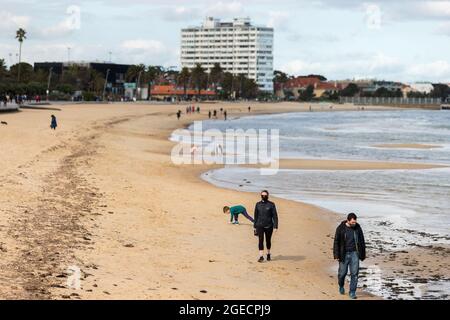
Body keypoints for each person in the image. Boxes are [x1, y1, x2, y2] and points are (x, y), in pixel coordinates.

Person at [333, 213, 366, 300]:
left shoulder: (358, 227)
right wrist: (336, 255)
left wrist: (363, 254)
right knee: (342, 274)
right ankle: (341, 285)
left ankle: (352, 292)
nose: (354, 224)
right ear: (348, 221)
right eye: (352, 223)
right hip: (343, 254)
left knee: (354, 274)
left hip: (354, 254)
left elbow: (362, 241)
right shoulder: (340, 228)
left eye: (355, 222)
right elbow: (336, 242)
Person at [254, 190, 278, 263]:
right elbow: (256, 216)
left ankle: (268, 254)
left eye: (265, 195)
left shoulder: (271, 204)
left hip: (269, 226)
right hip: (259, 225)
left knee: (268, 241)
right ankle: (261, 256)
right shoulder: (257, 204)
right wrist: (255, 226)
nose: (263, 196)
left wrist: (275, 226)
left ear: (268, 195)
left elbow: (275, 216)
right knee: (260, 240)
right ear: (261, 195)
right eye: (262, 195)